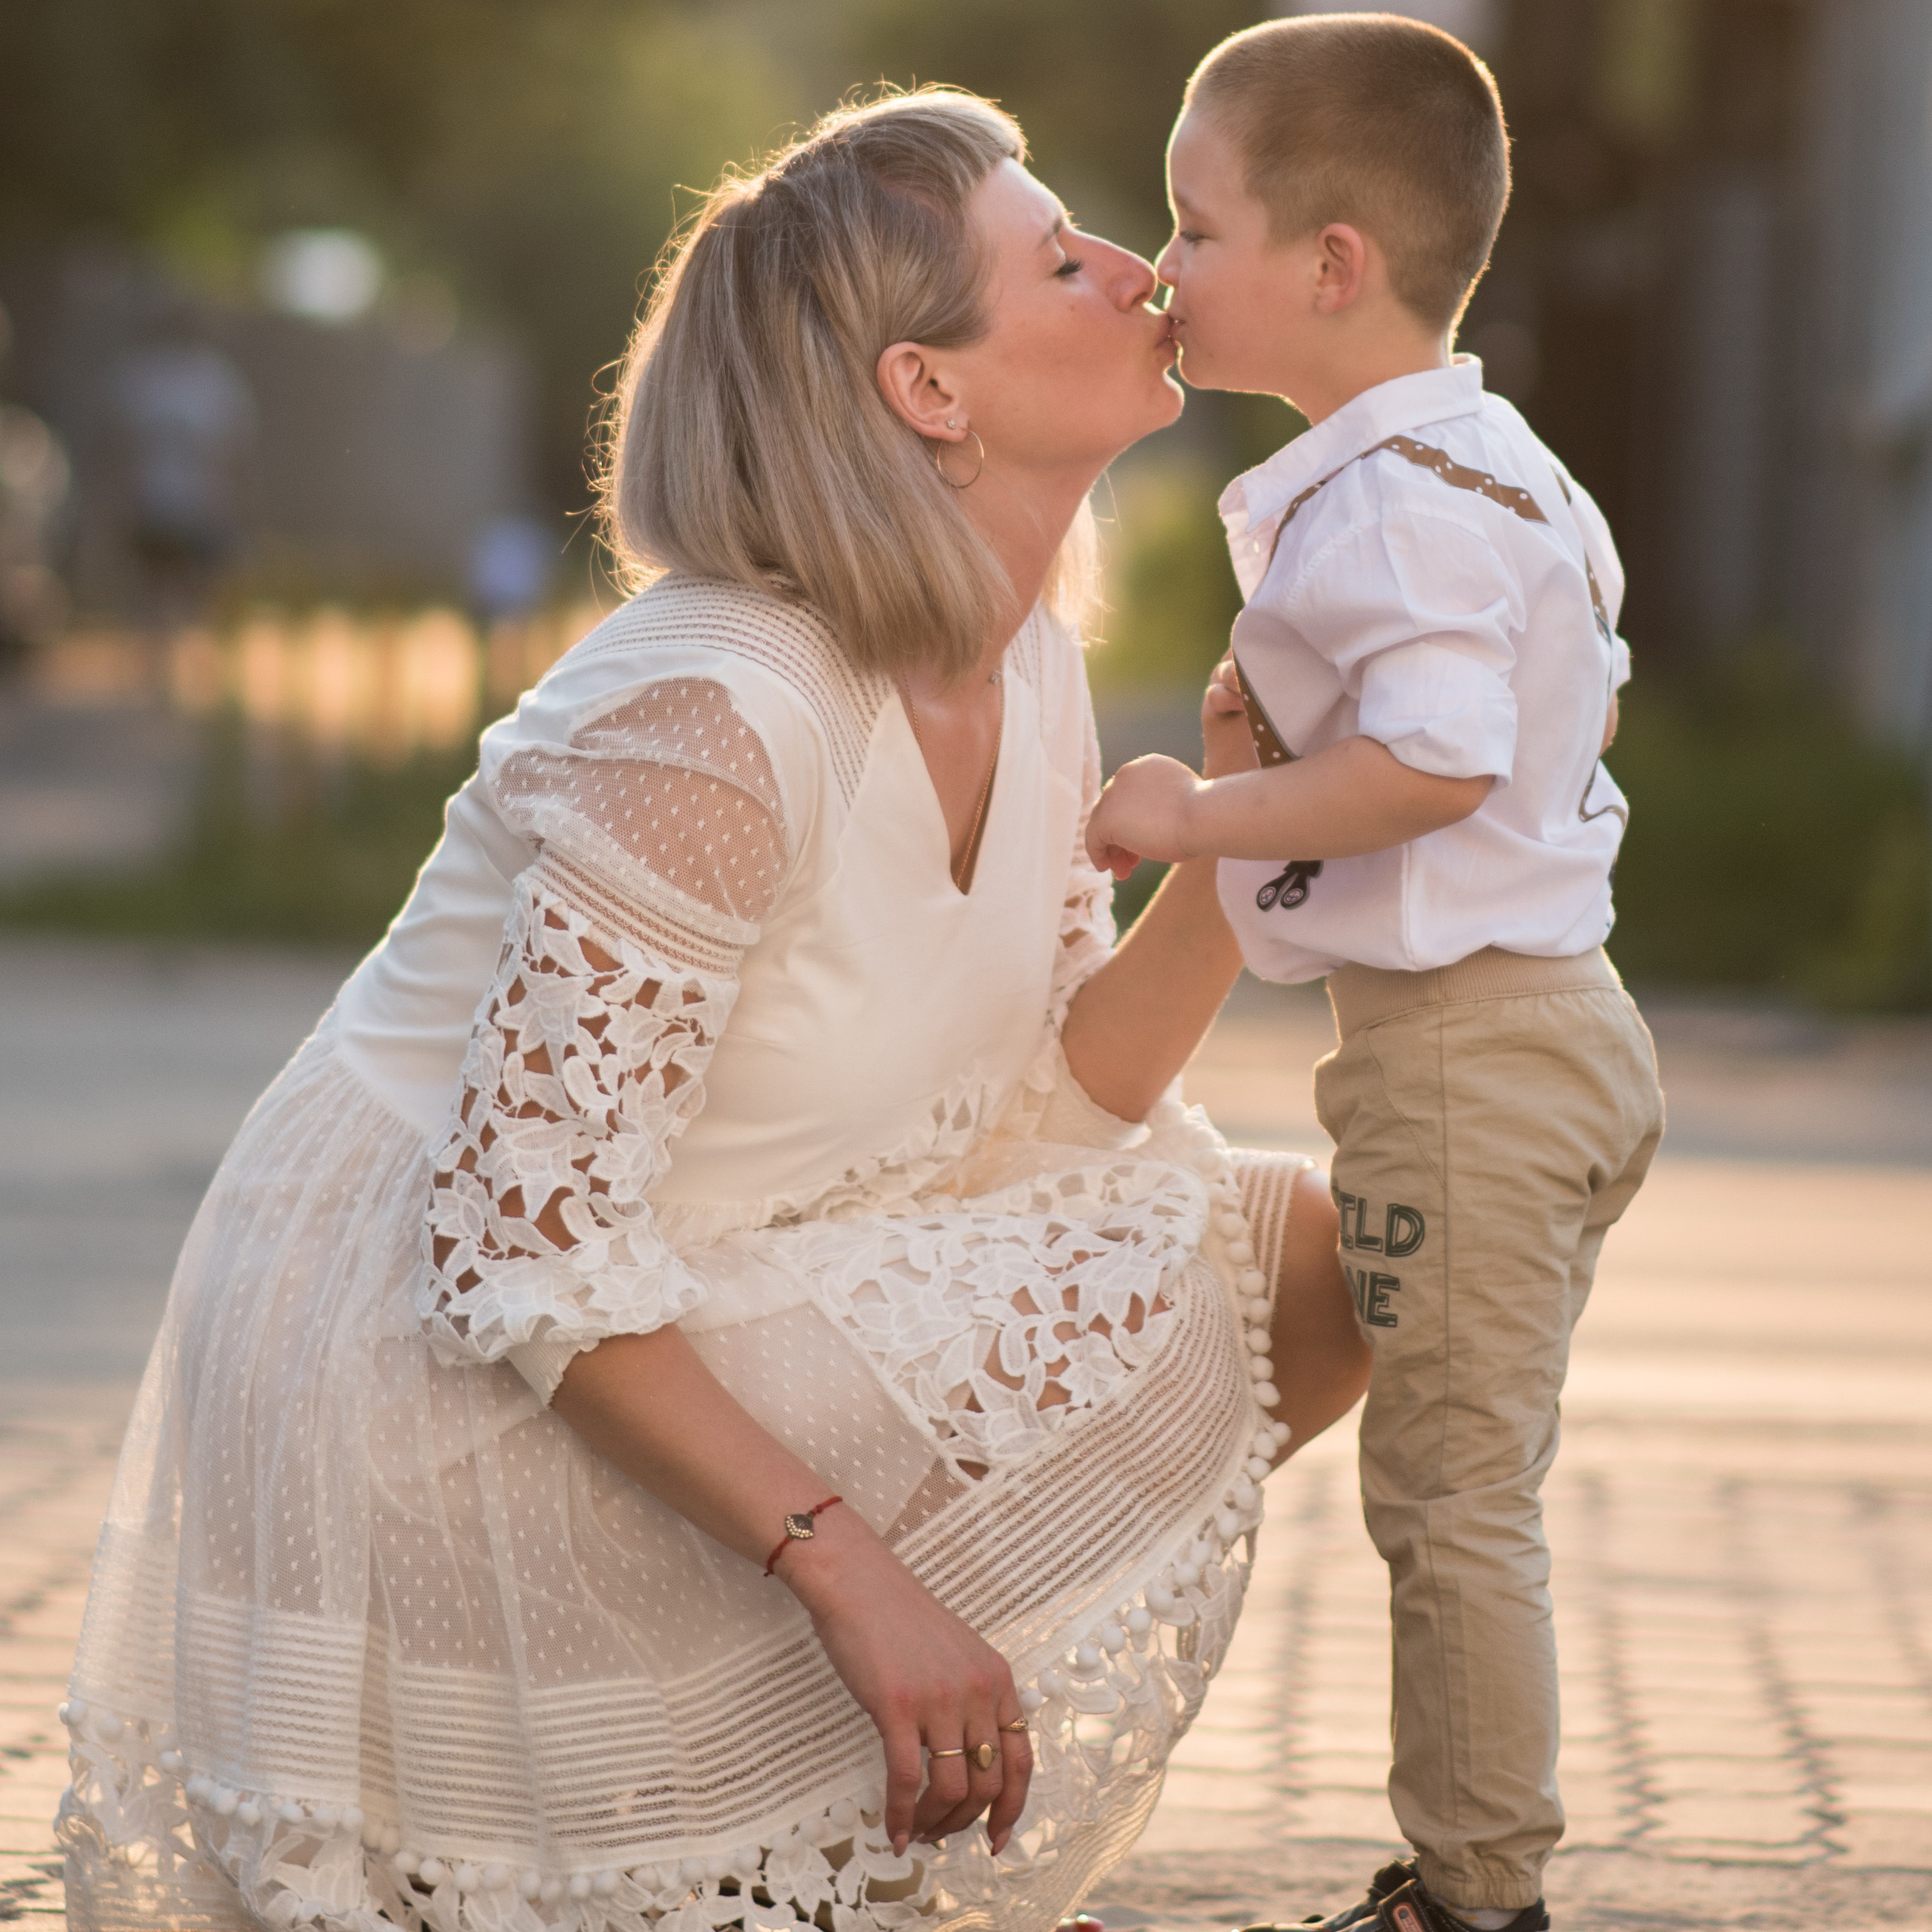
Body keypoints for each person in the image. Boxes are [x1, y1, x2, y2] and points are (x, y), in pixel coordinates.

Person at [55, 90, 1371, 1932]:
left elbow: (1054, 1096)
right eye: (1060, 255)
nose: (1135, 268)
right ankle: (701, 1817)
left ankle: (816, 1836)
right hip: (427, 1369)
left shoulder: (1033, 663)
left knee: (1314, 1261)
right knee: (1242, 1268)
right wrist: (860, 1570)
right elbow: (517, 1252)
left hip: (684, 1269)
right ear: (930, 389)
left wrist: (1238, 827)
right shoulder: (723, 711)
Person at [1085, 19, 1666, 1932]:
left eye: (1195, 225)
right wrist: (1276, 760)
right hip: (1551, 1033)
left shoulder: (1385, 502)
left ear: (1330, 265)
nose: (1162, 271)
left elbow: (1439, 761)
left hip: (1465, 1057)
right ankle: (1466, 1875)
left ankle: (1474, 1896)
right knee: (1465, 1476)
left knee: (1447, 1499)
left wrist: (1195, 811)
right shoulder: (1499, 467)